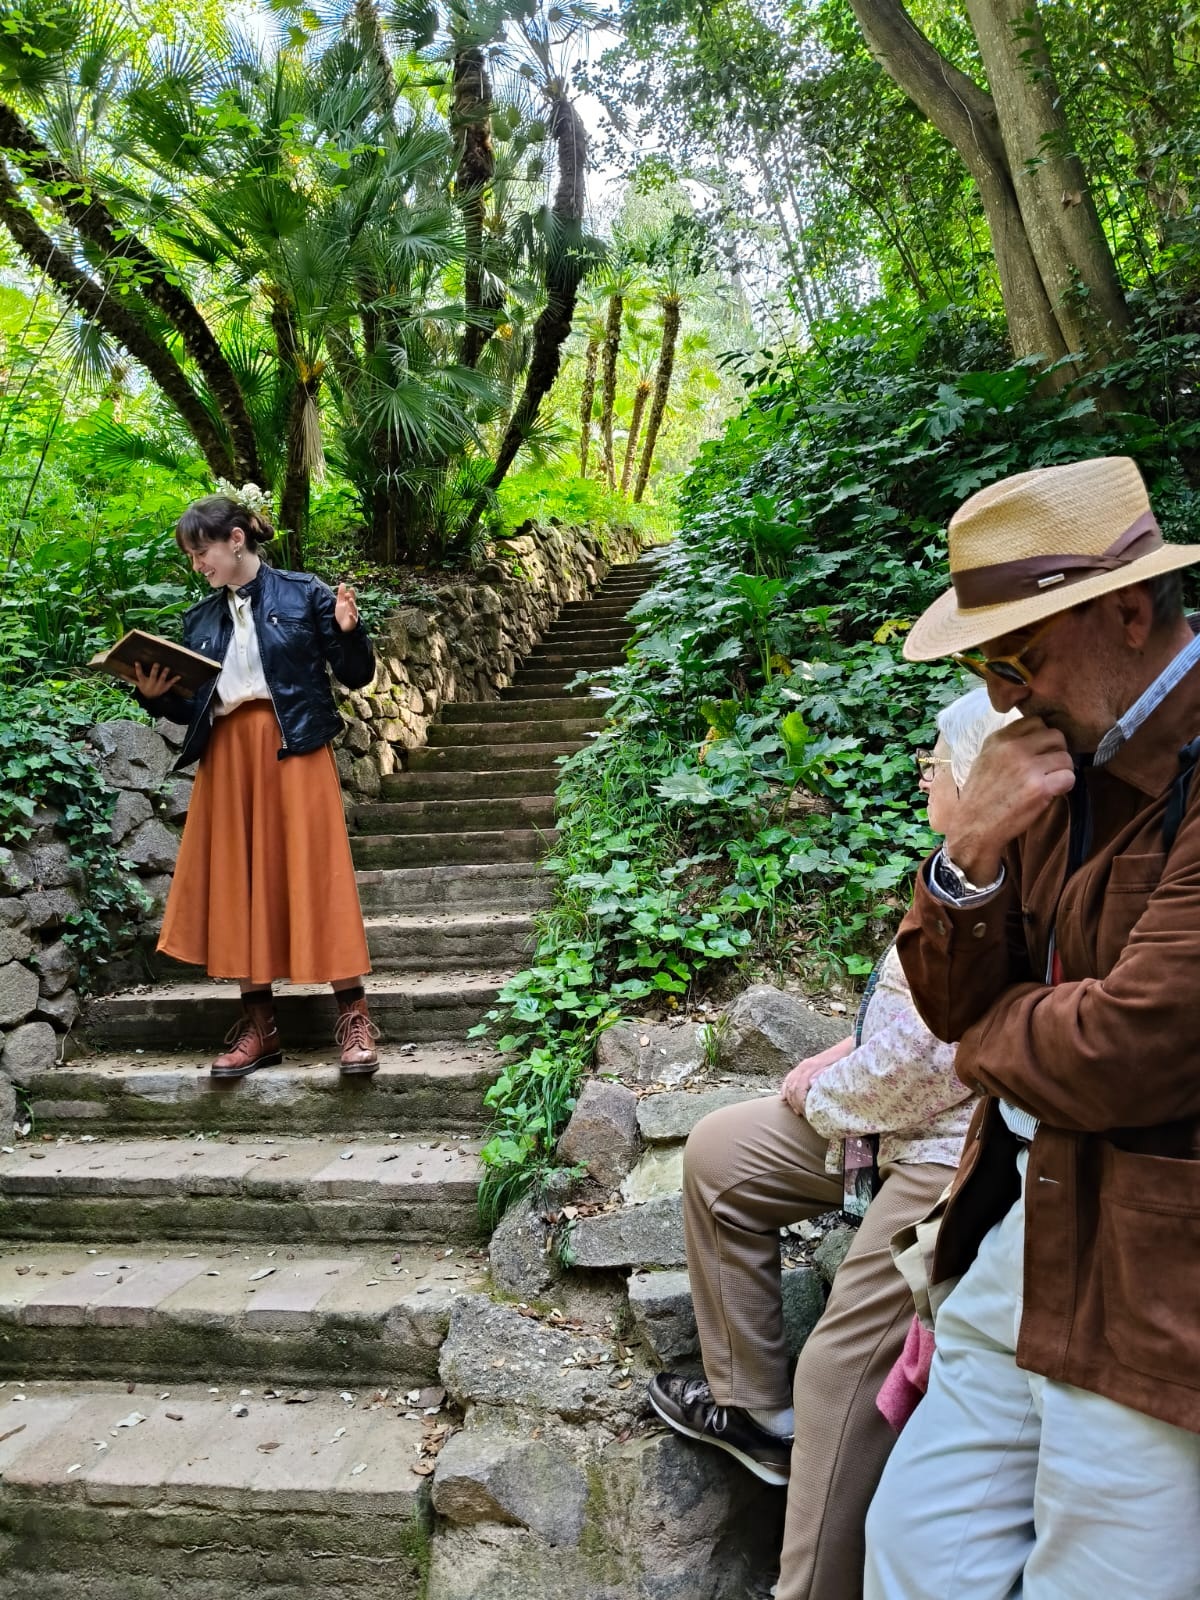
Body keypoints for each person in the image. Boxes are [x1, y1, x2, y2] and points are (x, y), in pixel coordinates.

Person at [864, 455, 1200, 1600]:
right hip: (1034, 1218)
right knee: (914, 1548)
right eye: (985, 668)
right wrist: (968, 850)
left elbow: (1136, 1048)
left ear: (1129, 612)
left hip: (1164, 1280)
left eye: (1020, 659)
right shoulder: (1070, 757)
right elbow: (950, 996)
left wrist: (987, 1042)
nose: (1003, 700)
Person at [647, 687, 1014, 1600]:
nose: (923, 775)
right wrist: (845, 1051)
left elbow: (937, 1062)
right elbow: (910, 1020)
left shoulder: (1020, 877)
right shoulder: (958, 865)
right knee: (722, 1155)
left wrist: (828, 1094)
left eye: (935, 762)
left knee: (838, 1369)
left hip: (948, 1154)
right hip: (883, 1124)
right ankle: (755, 1413)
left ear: (981, 780)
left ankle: (807, 1583)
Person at [133, 486, 381, 1080]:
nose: (198, 565)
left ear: (236, 539)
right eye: (192, 557)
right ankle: (260, 1028)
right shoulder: (200, 619)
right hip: (227, 756)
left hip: (294, 743)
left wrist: (350, 633)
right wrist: (155, 697)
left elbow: (356, 674)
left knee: (318, 872)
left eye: (202, 553)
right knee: (239, 881)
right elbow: (194, 705)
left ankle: (353, 1017)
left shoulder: (304, 593)